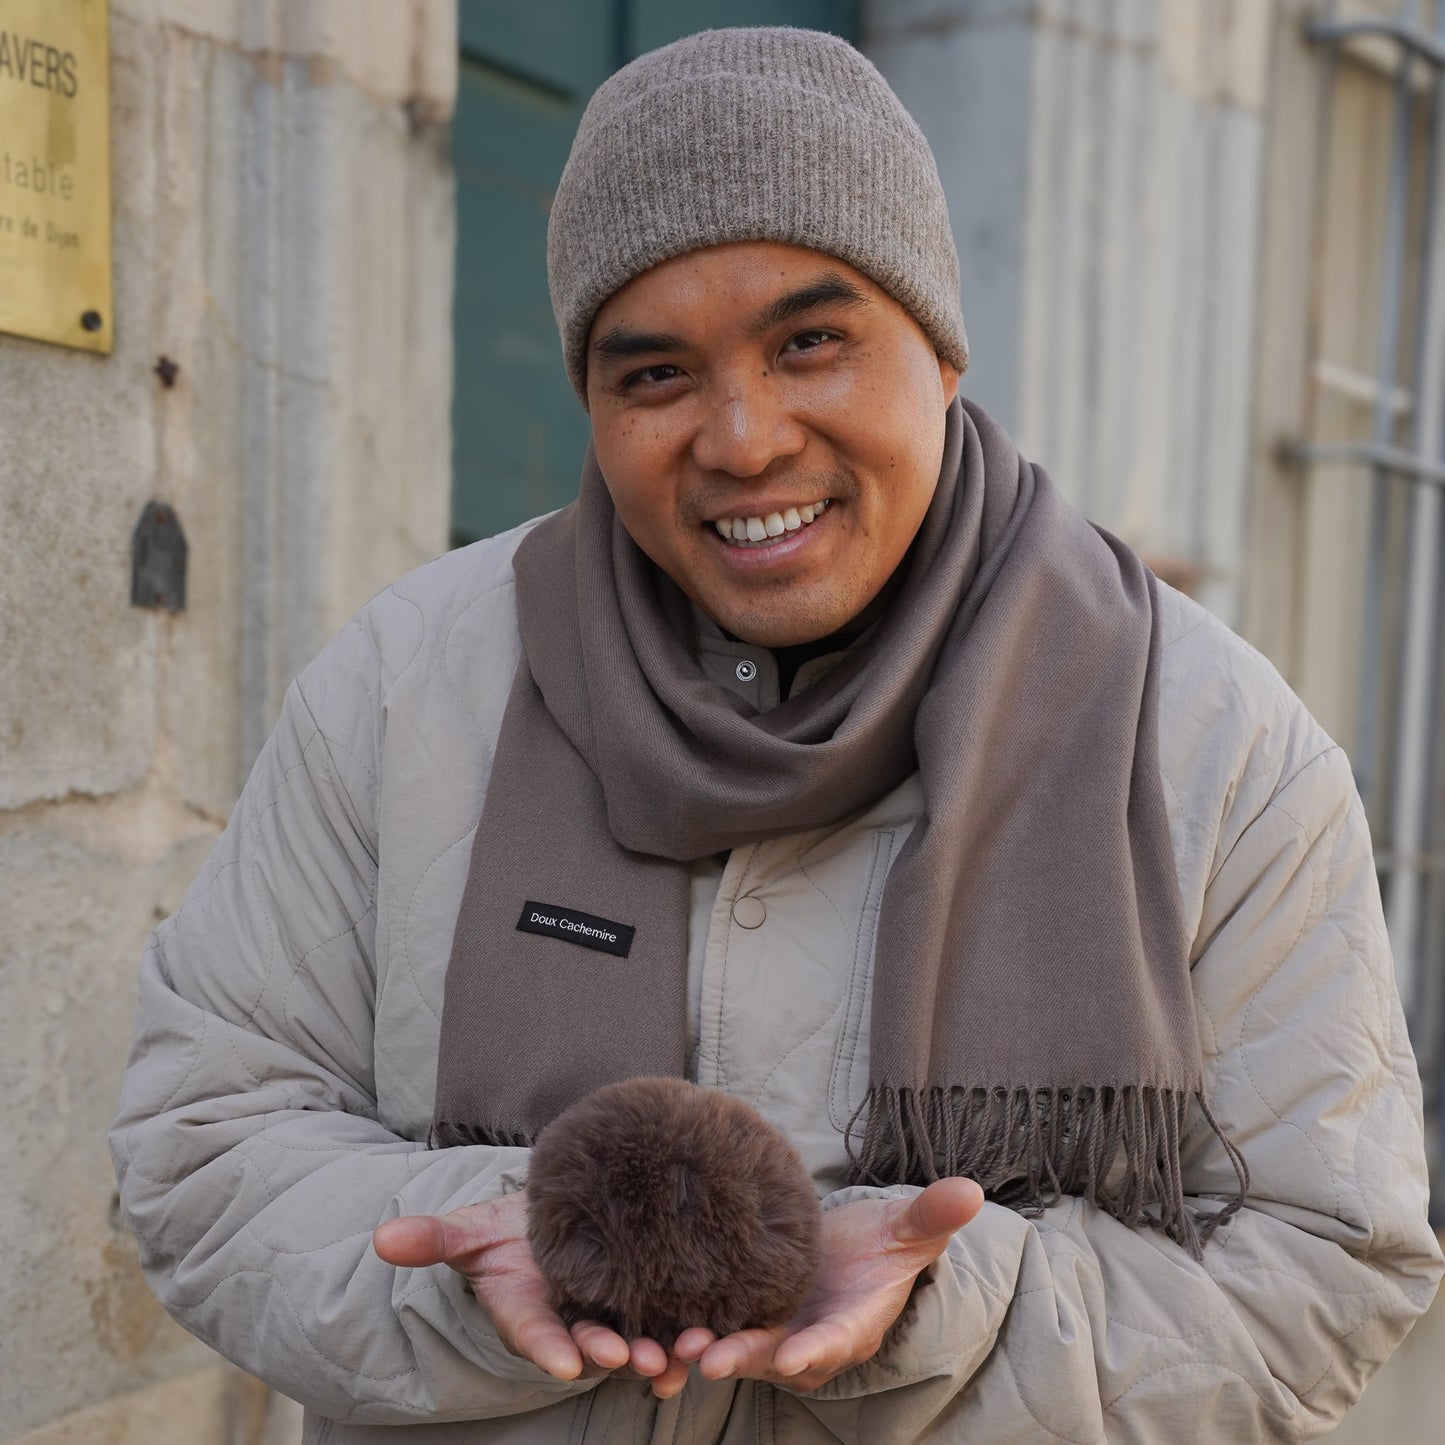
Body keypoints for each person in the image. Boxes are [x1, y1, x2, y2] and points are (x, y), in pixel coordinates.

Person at [111, 26, 1442, 1444]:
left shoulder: (1215, 745)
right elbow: (207, 1137)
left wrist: (934, 1309)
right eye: (655, 375)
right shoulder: (405, 686)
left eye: (810, 341)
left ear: (936, 348)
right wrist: (506, 1252)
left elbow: (1325, 1260)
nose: (742, 439)